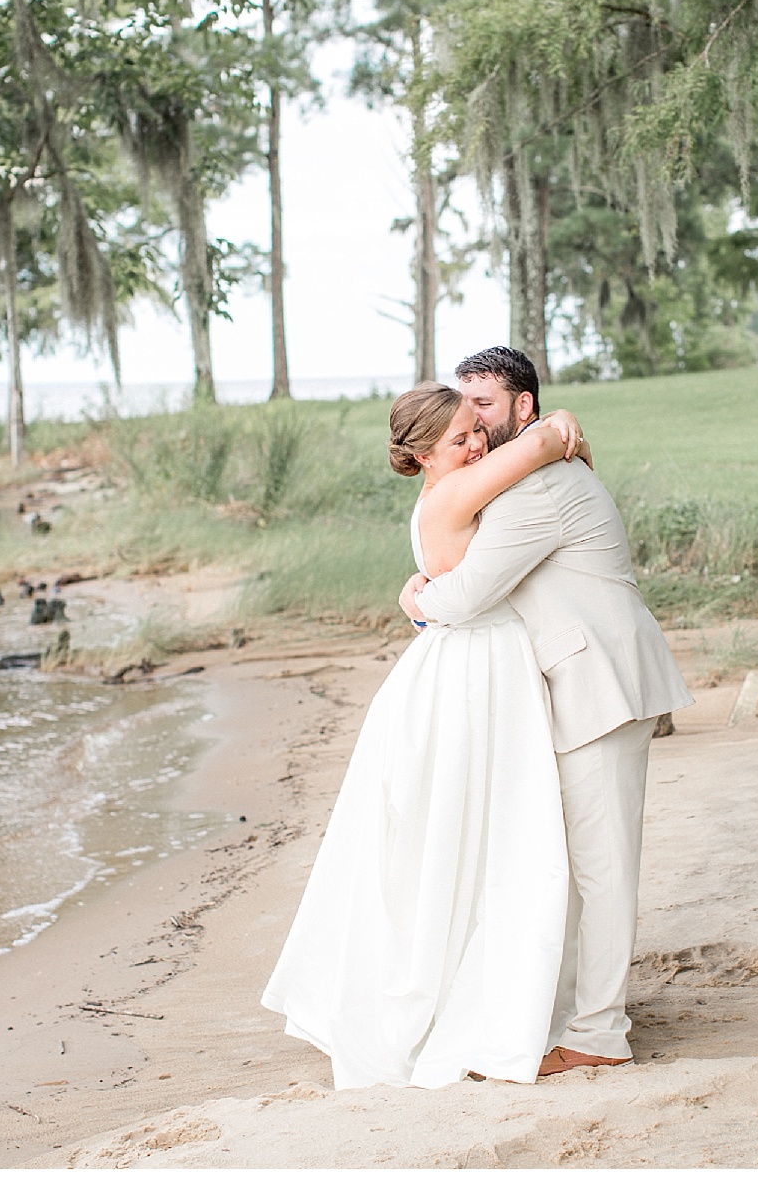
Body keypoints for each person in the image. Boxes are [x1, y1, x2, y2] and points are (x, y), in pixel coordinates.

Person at [261, 383, 592, 1088]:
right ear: (421, 456)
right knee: (485, 831)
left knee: (480, 831)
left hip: (471, 661)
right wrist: (558, 421)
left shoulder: (448, 492)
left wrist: (417, 600)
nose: (476, 445)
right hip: (476, 670)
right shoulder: (454, 493)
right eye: (459, 439)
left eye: (477, 428)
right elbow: (538, 443)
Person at [401, 346, 693, 1078]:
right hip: (570, 689)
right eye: (464, 408)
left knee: (602, 870)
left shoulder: (538, 489)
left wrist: (417, 600)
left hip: (601, 685)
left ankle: (600, 1033)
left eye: (484, 407)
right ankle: (562, 1014)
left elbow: (471, 592)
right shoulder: (517, 477)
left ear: (524, 408)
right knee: (562, 867)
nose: (472, 422)